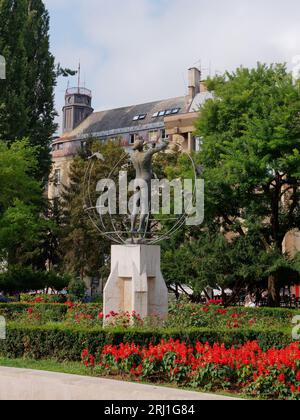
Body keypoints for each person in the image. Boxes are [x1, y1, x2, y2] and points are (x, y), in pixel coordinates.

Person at [130, 136, 169, 237]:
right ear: (142, 145)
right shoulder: (147, 153)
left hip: (136, 181)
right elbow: (162, 147)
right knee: (145, 207)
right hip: (145, 181)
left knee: (135, 206)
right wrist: (165, 141)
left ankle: (132, 228)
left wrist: (146, 145)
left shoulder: (133, 156)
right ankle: (141, 227)